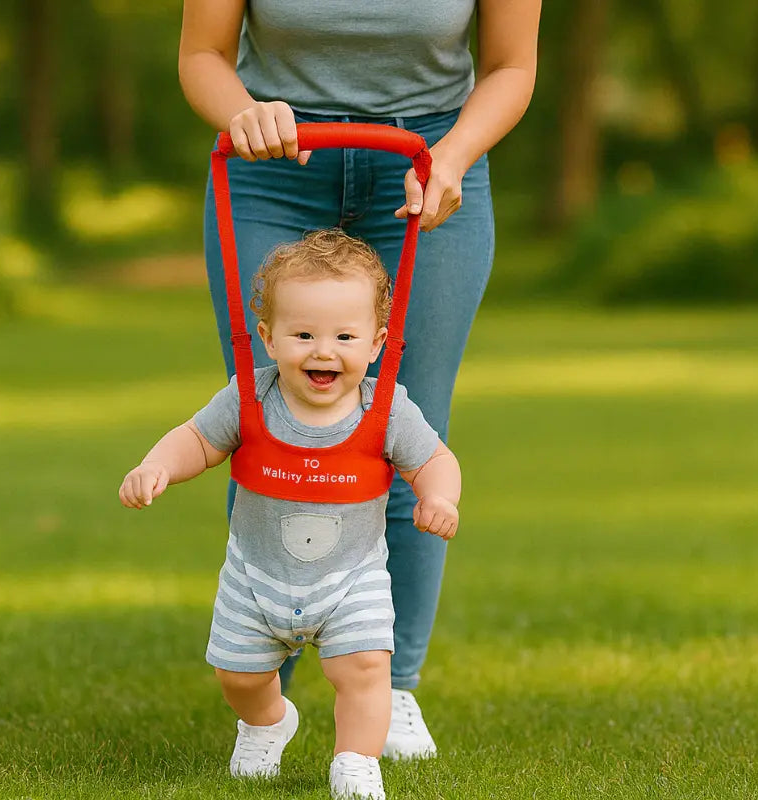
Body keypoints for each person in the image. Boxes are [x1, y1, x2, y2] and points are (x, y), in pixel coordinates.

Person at [178, 0, 541, 757]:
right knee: (266, 419)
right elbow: (202, 55)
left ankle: (390, 682)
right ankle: (262, 695)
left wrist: (456, 153)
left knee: (407, 435)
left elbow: (512, 66)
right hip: (273, 169)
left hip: (429, 161)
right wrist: (245, 113)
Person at [119, 230, 461, 800]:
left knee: (365, 670)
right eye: (302, 334)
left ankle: (355, 762)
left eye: (344, 336)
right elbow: (197, 441)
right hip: (256, 579)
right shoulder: (250, 398)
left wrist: (439, 496)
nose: (323, 351)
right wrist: (158, 466)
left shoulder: (386, 409)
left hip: (351, 579)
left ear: (377, 342)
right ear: (268, 338)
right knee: (240, 676)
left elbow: (435, 459)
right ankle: (266, 721)